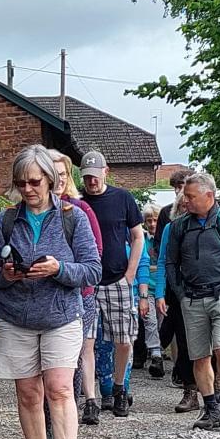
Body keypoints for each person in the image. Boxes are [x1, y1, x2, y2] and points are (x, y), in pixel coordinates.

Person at [0, 146, 101, 439]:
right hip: (15, 317)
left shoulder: (73, 218)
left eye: (34, 182)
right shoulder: (6, 220)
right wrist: (6, 275)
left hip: (61, 316)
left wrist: (58, 269)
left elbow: (93, 270)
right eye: (21, 183)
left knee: (60, 388)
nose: (27, 189)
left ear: (50, 180)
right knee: (28, 393)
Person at [165, 172, 220, 429]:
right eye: (185, 196)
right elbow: (171, 262)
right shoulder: (180, 226)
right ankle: (210, 407)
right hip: (192, 298)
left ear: (209, 195)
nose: (185, 201)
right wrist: (181, 294)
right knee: (199, 356)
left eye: (191, 196)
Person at [82, 150, 144, 418]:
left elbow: (138, 237)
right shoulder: (79, 202)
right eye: (87, 177)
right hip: (88, 281)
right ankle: (91, 399)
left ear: (105, 172)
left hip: (117, 278)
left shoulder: (122, 198)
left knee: (124, 339)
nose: (92, 181)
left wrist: (130, 274)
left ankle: (119, 388)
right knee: (87, 342)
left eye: (95, 176)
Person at [49, 149, 104, 424]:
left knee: (72, 358)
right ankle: (48, 420)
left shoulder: (80, 210)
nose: (59, 180)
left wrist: (65, 273)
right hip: (42, 298)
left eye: (63, 174)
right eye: (53, 174)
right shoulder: (28, 213)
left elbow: (96, 254)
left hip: (80, 296)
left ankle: (65, 418)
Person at [156, 169, 200, 412]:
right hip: (178, 292)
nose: (186, 208)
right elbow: (163, 261)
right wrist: (159, 293)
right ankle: (189, 390)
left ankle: (217, 391)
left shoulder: (208, 226)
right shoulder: (170, 229)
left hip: (205, 291)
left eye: (189, 204)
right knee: (183, 342)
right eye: (182, 206)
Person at [135, 203, 166, 377]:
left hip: (164, 287)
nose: (152, 224)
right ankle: (156, 355)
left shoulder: (165, 237)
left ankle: (158, 350)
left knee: (162, 323)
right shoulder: (141, 238)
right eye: (149, 221)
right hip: (147, 288)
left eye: (155, 220)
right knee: (150, 320)